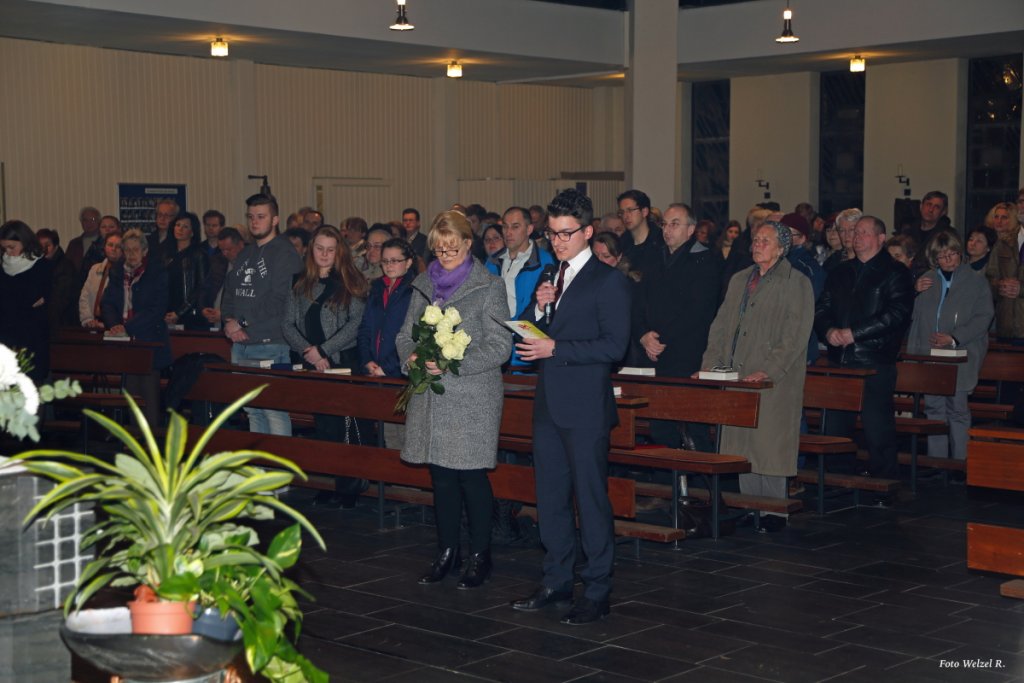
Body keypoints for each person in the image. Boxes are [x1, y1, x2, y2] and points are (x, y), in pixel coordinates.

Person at [512, 188, 631, 625]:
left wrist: (555, 347)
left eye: (566, 234)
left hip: (584, 407)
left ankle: (597, 589)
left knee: (591, 500)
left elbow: (614, 346)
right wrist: (538, 308)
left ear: (588, 231)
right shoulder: (551, 273)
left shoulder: (608, 280)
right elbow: (530, 330)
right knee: (550, 498)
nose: (558, 242)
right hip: (548, 404)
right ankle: (556, 580)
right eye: (552, 233)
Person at [396, 210, 511, 589]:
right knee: (441, 478)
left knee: (471, 478)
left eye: (452, 248)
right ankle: (447, 551)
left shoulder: (489, 286)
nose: (444, 256)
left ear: (467, 244)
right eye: (439, 249)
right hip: (431, 396)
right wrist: (411, 357)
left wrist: (452, 362)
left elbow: (500, 345)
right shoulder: (423, 284)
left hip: (472, 397)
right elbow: (404, 335)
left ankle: (480, 555)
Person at [699, 222, 813, 531]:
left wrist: (770, 369)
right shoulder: (740, 279)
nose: (757, 244)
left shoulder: (796, 282)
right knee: (743, 443)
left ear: (781, 248)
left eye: (765, 240)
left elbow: (795, 335)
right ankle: (750, 507)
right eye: (756, 239)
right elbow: (720, 325)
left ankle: (774, 511)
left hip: (773, 378)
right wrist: (711, 364)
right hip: (737, 374)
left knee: (770, 445)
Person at [814, 215, 914, 500]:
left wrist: (854, 334)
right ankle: (838, 482)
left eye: (864, 232)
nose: (857, 237)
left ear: (881, 239)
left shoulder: (895, 272)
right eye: (855, 232)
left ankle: (885, 486)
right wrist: (829, 331)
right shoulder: (841, 272)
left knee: (877, 429)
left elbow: (896, 314)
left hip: (874, 360)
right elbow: (822, 308)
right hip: (840, 361)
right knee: (835, 427)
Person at [283, 225, 370, 507]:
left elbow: (355, 325)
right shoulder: (299, 282)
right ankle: (330, 482)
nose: (324, 254)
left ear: (339, 251)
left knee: (345, 427)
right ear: (311, 250)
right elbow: (288, 324)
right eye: (319, 248)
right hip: (311, 364)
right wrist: (309, 352)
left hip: (342, 362)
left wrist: (323, 350)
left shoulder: (351, 281)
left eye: (330, 250)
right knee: (324, 428)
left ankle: (350, 486)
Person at [634, 203, 722, 451]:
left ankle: (695, 472)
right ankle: (669, 473)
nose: (667, 230)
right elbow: (638, 302)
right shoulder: (654, 258)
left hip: (686, 355)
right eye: (665, 224)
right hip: (653, 354)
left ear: (691, 229)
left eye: (675, 224)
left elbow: (698, 312)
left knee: (691, 425)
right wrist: (643, 335)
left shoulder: (705, 260)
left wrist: (659, 340)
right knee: (660, 426)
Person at [906, 231, 993, 463]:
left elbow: (984, 317)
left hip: (959, 354)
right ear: (934, 258)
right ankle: (937, 463)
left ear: (960, 254)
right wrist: (913, 291)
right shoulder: (926, 279)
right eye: (942, 256)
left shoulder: (976, 281)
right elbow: (909, 314)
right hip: (930, 354)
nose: (948, 260)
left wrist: (954, 337)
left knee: (957, 410)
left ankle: (960, 463)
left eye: (952, 254)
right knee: (933, 409)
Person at [221, 193, 303, 436]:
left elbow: (280, 299)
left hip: (270, 343)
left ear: (275, 219)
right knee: (253, 410)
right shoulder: (246, 253)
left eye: (261, 216)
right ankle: (260, 460)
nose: (254, 222)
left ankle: (278, 461)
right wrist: (228, 321)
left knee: (273, 409)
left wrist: (241, 322)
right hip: (240, 343)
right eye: (251, 217)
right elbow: (230, 291)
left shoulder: (285, 253)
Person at [100, 228, 171, 426]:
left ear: (145, 251)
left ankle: (150, 439)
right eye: (127, 250)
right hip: (124, 341)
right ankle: (133, 436)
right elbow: (107, 303)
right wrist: (115, 325)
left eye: (135, 250)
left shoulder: (157, 272)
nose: (131, 254)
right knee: (131, 394)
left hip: (149, 339)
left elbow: (156, 309)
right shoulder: (117, 271)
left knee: (148, 396)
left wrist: (127, 327)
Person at [358, 237, 417, 449]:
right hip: (376, 370)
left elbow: (414, 336)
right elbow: (365, 327)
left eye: (395, 261)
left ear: (408, 262)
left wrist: (389, 366)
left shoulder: (415, 291)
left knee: (406, 434)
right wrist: (367, 360)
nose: (389, 266)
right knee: (388, 435)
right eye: (385, 261)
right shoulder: (377, 287)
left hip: (400, 371)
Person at [0, 220, 52, 383]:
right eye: (4, 248)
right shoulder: (2, 266)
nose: (8, 253)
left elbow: (33, 298)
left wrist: (16, 301)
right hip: (5, 336)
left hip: (31, 338)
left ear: (24, 242)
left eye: (12, 247)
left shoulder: (40, 265)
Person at [984, 202, 1024, 342]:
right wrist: (999, 285)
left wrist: (1020, 288)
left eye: (1004, 217)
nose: (999, 221)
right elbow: (990, 277)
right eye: (1021, 202)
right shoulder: (1002, 243)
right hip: (1005, 321)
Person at [163, 212, 209, 329]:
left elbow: (200, 288)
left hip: (189, 314)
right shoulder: (166, 254)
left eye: (185, 226)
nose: (180, 229)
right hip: (165, 311)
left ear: (192, 232)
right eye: (178, 225)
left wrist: (180, 312)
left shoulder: (199, 255)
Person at [36, 228, 78, 332]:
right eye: (40, 245)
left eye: (47, 245)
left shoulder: (65, 266)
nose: (44, 249)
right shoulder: (40, 265)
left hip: (61, 322)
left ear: (56, 246)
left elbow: (60, 299)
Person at [79, 232, 123, 329]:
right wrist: (88, 319)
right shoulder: (95, 269)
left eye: (118, 246)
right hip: (92, 323)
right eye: (110, 245)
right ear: (104, 247)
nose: (113, 249)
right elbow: (84, 297)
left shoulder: (125, 272)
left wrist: (108, 324)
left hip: (114, 326)